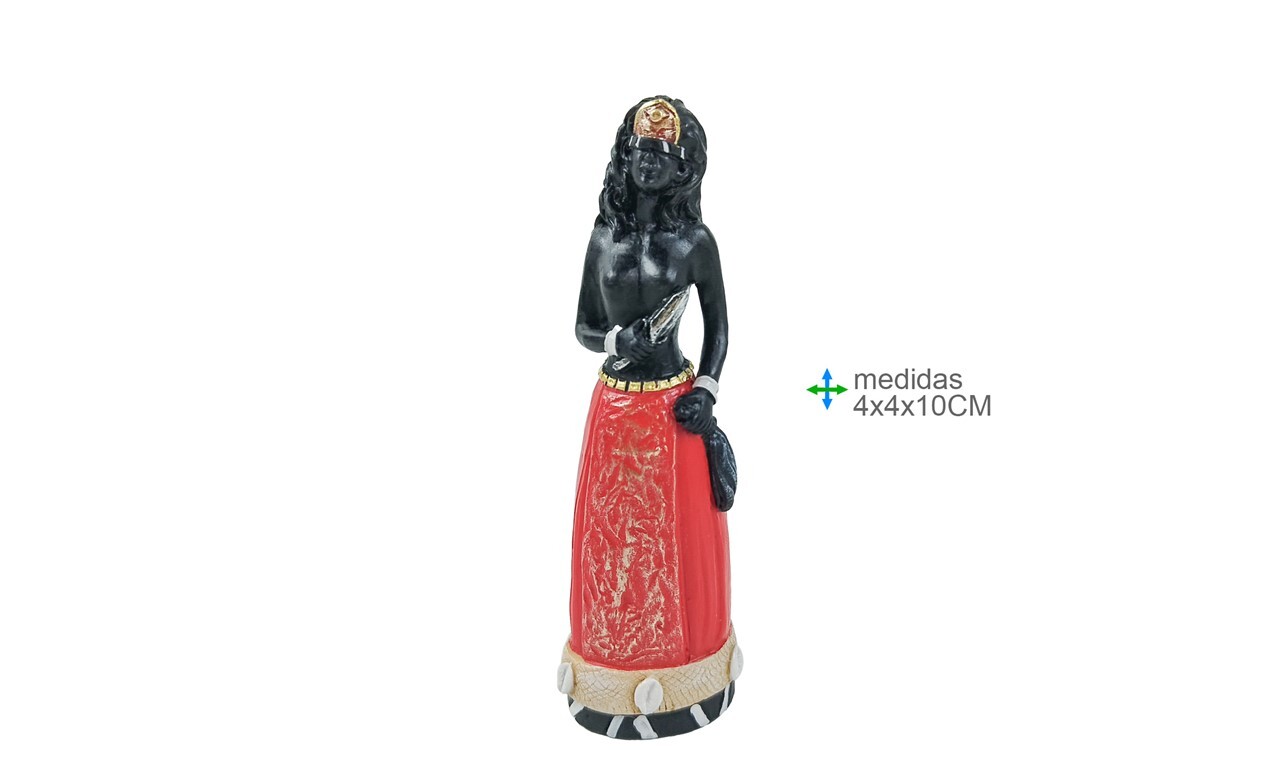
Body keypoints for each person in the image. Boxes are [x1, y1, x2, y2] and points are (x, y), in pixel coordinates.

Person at [557, 96, 741, 740]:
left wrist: (707, 392)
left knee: (678, 541)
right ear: (624, 157)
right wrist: (618, 341)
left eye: (661, 154)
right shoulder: (603, 238)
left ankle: (688, 671)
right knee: (611, 543)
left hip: (673, 410)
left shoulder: (694, 243)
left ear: (682, 166)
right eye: (639, 151)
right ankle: (610, 670)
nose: (647, 163)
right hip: (614, 409)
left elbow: (719, 327)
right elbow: (584, 326)